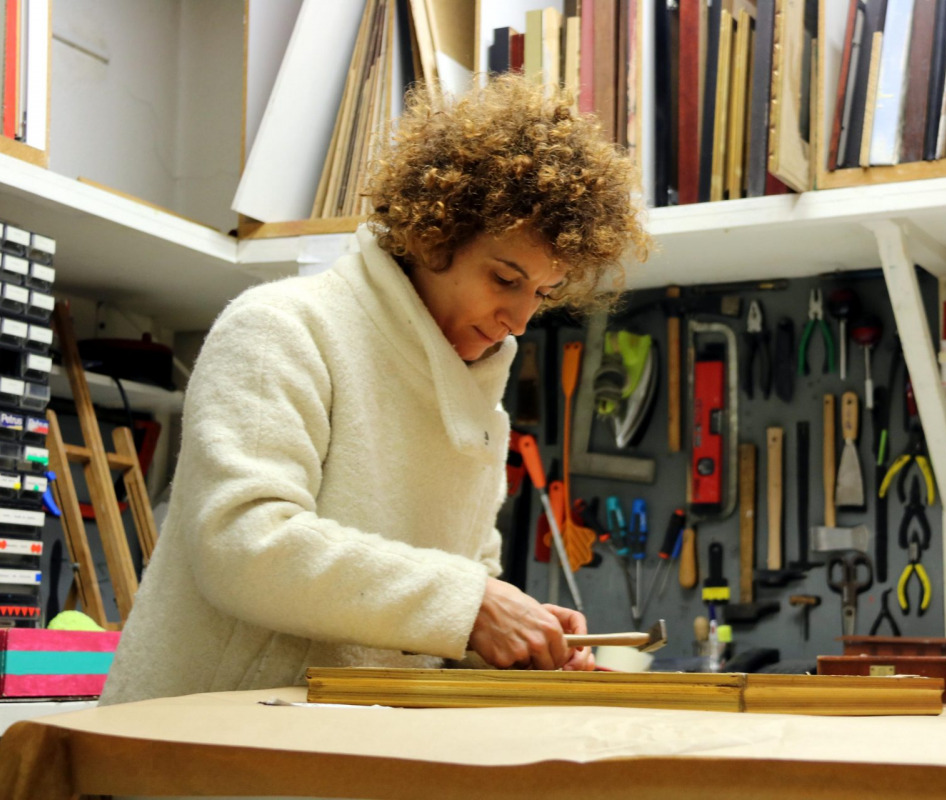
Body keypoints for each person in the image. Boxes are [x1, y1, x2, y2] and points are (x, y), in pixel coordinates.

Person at [100, 74, 650, 706]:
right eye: (505, 279)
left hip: (338, 738)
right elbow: (242, 545)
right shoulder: (282, 328)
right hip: (194, 736)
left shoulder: (478, 401)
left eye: (543, 294)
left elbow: (441, 609)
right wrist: (470, 605)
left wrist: (518, 640)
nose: (521, 320)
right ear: (433, 235)